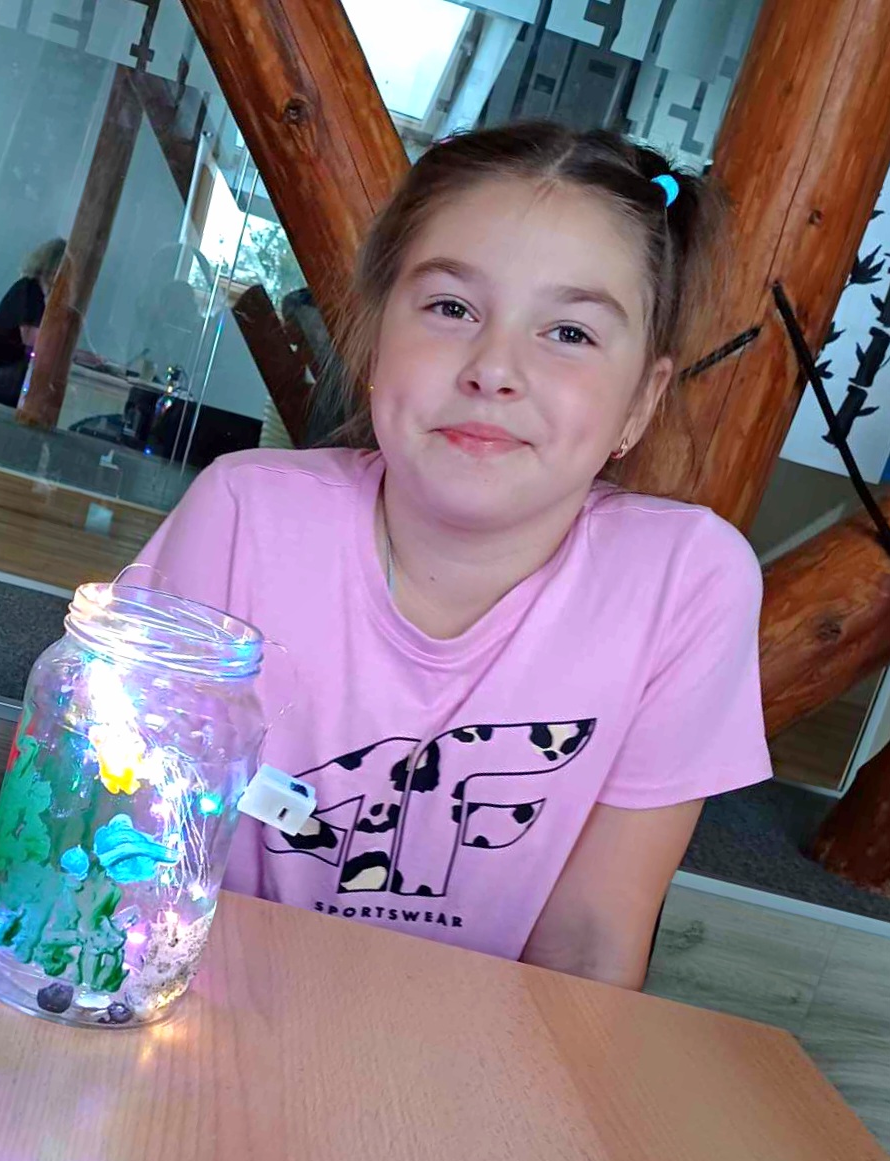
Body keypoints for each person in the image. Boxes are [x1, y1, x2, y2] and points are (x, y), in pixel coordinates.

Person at [116, 122, 771, 990]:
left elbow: (588, 945)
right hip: (200, 1010)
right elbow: (120, 843)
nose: (493, 369)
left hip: (480, 1043)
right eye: (451, 309)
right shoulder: (243, 515)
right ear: (375, 337)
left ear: (640, 404)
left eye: (569, 332)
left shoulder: (687, 581)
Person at [0, 237, 67, 407]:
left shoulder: (27, 288)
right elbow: (31, 339)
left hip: (2, 369)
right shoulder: (30, 293)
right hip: (9, 373)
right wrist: (71, 350)